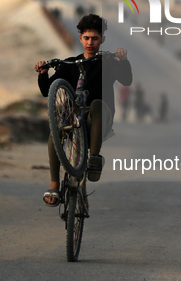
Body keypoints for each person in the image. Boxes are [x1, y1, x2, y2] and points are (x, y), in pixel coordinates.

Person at [34, 14, 132, 207]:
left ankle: (94, 159)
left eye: (95, 38)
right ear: (80, 38)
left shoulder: (109, 62)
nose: (90, 42)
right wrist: (43, 74)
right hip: (74, 120)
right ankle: (54, 183)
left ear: (102, 40)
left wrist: (123, 61)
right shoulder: (70, 64)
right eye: (86, 38)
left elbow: (127, 80)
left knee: (96, 103)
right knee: (56, 133)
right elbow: (47, 91)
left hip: (98, 119)